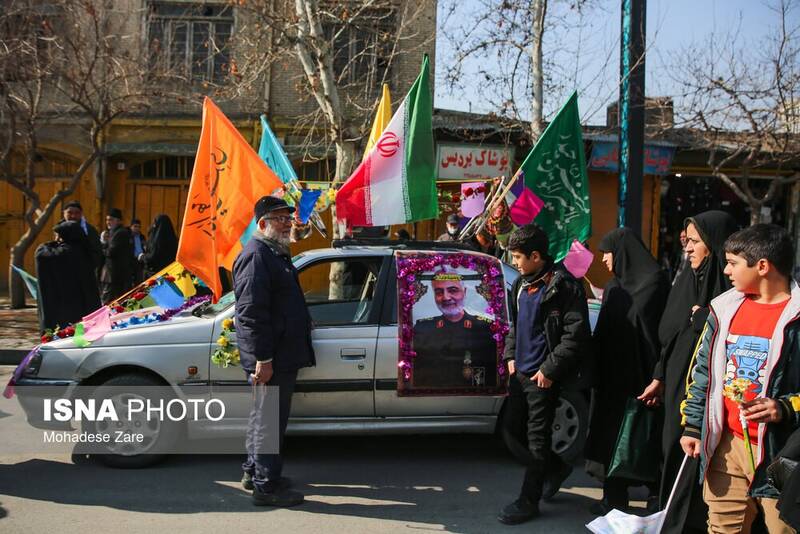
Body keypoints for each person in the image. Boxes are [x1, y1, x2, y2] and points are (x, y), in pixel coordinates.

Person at [680, 224, 800, 534]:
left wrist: (785, 408)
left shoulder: (797, 316)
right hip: (727, 445)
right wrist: (694, 426)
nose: (727, 270)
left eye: (733, 262)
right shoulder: (723, 310)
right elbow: (702, 373)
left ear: (762, 266)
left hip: (784, 452)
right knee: (722, 529)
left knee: (783, 529)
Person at [638, 210, 738, 533]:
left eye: (695, 242)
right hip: (676, 397)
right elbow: (670, 337)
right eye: (687, 241)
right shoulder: (686, 283)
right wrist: (660, 376)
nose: (688, 249)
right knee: (673, 462)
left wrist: (703, 321)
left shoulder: (730, 296)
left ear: (714, 244)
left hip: (708, 408)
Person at [498, 224, 591, 525]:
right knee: (513, 433)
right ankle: (557, 468)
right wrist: (510, 356)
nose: (514, 263)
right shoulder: (520, 284)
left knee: (537, 440)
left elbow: (574, 335)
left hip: (543, 377)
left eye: (517, 257)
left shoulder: (564, 285)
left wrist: (549, 369)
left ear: (536, 256)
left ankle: (528, 501)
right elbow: (515, 325)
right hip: (520, 373)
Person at [233, 195, 315, 507]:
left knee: (263, 418)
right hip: (271, 358)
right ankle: (267, 488)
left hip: (278, 354)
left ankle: (255, 472)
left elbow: (280, 302)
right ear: (262, 223)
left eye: (288, 218)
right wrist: (262, 360)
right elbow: (252, 314)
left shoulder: (274, 252)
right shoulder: (257, 255)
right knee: (269, 421)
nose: (287, 224)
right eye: (280, 218)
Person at [585, 227, 670, 514]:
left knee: (645, 438)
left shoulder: (655, 282)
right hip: (612, 379)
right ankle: (613, 498)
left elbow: (658, 333)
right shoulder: (614, 287)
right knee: (610, 439)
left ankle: (656, 495)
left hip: (644, 377)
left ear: (622, 253)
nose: (605, 261)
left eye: (608, 253)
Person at [412, 270, 498, 388]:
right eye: (439, 292)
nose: (446, 297)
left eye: (453, 290)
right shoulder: (424, 328)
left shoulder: (484, 327)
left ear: (465, 292)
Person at [35, 220, 101, 332]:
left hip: (65, 306)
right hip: (84, 304)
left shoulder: (62, 253)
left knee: (68, 333)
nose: (56, 239)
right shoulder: (85, 251)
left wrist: (48, 245)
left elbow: (41, 254)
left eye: (58, 235)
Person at [100, 208, 134, 303]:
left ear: (118, 221)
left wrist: (102, 245)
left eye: (111, 219)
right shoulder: (114, 232)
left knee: (108, 302)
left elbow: (111, 252)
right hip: (114, 273)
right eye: (107, 220)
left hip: (114, 274)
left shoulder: (120, 233)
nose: (108, 222)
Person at [62, 200, 103, 276]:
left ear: (81, 214)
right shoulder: (59, 229)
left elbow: (97, 253)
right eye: (70, 213)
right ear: (64, 213)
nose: (73, 216)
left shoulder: (89, 231)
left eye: (77, 213)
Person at [140, 214, 178, 278]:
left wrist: (142, 257)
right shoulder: (173, 239)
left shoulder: (157, 241)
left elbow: (152, 257)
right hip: (169, 273)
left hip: (155, 275)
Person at [129, 218, 146, 285]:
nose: (137, 228)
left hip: (140, 260)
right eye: (135, 226)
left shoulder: (142, 237)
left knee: (138, 279)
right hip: (131, 260)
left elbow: (144, 246)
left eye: (139, 227)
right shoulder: (128, 236)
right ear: (131, 227)